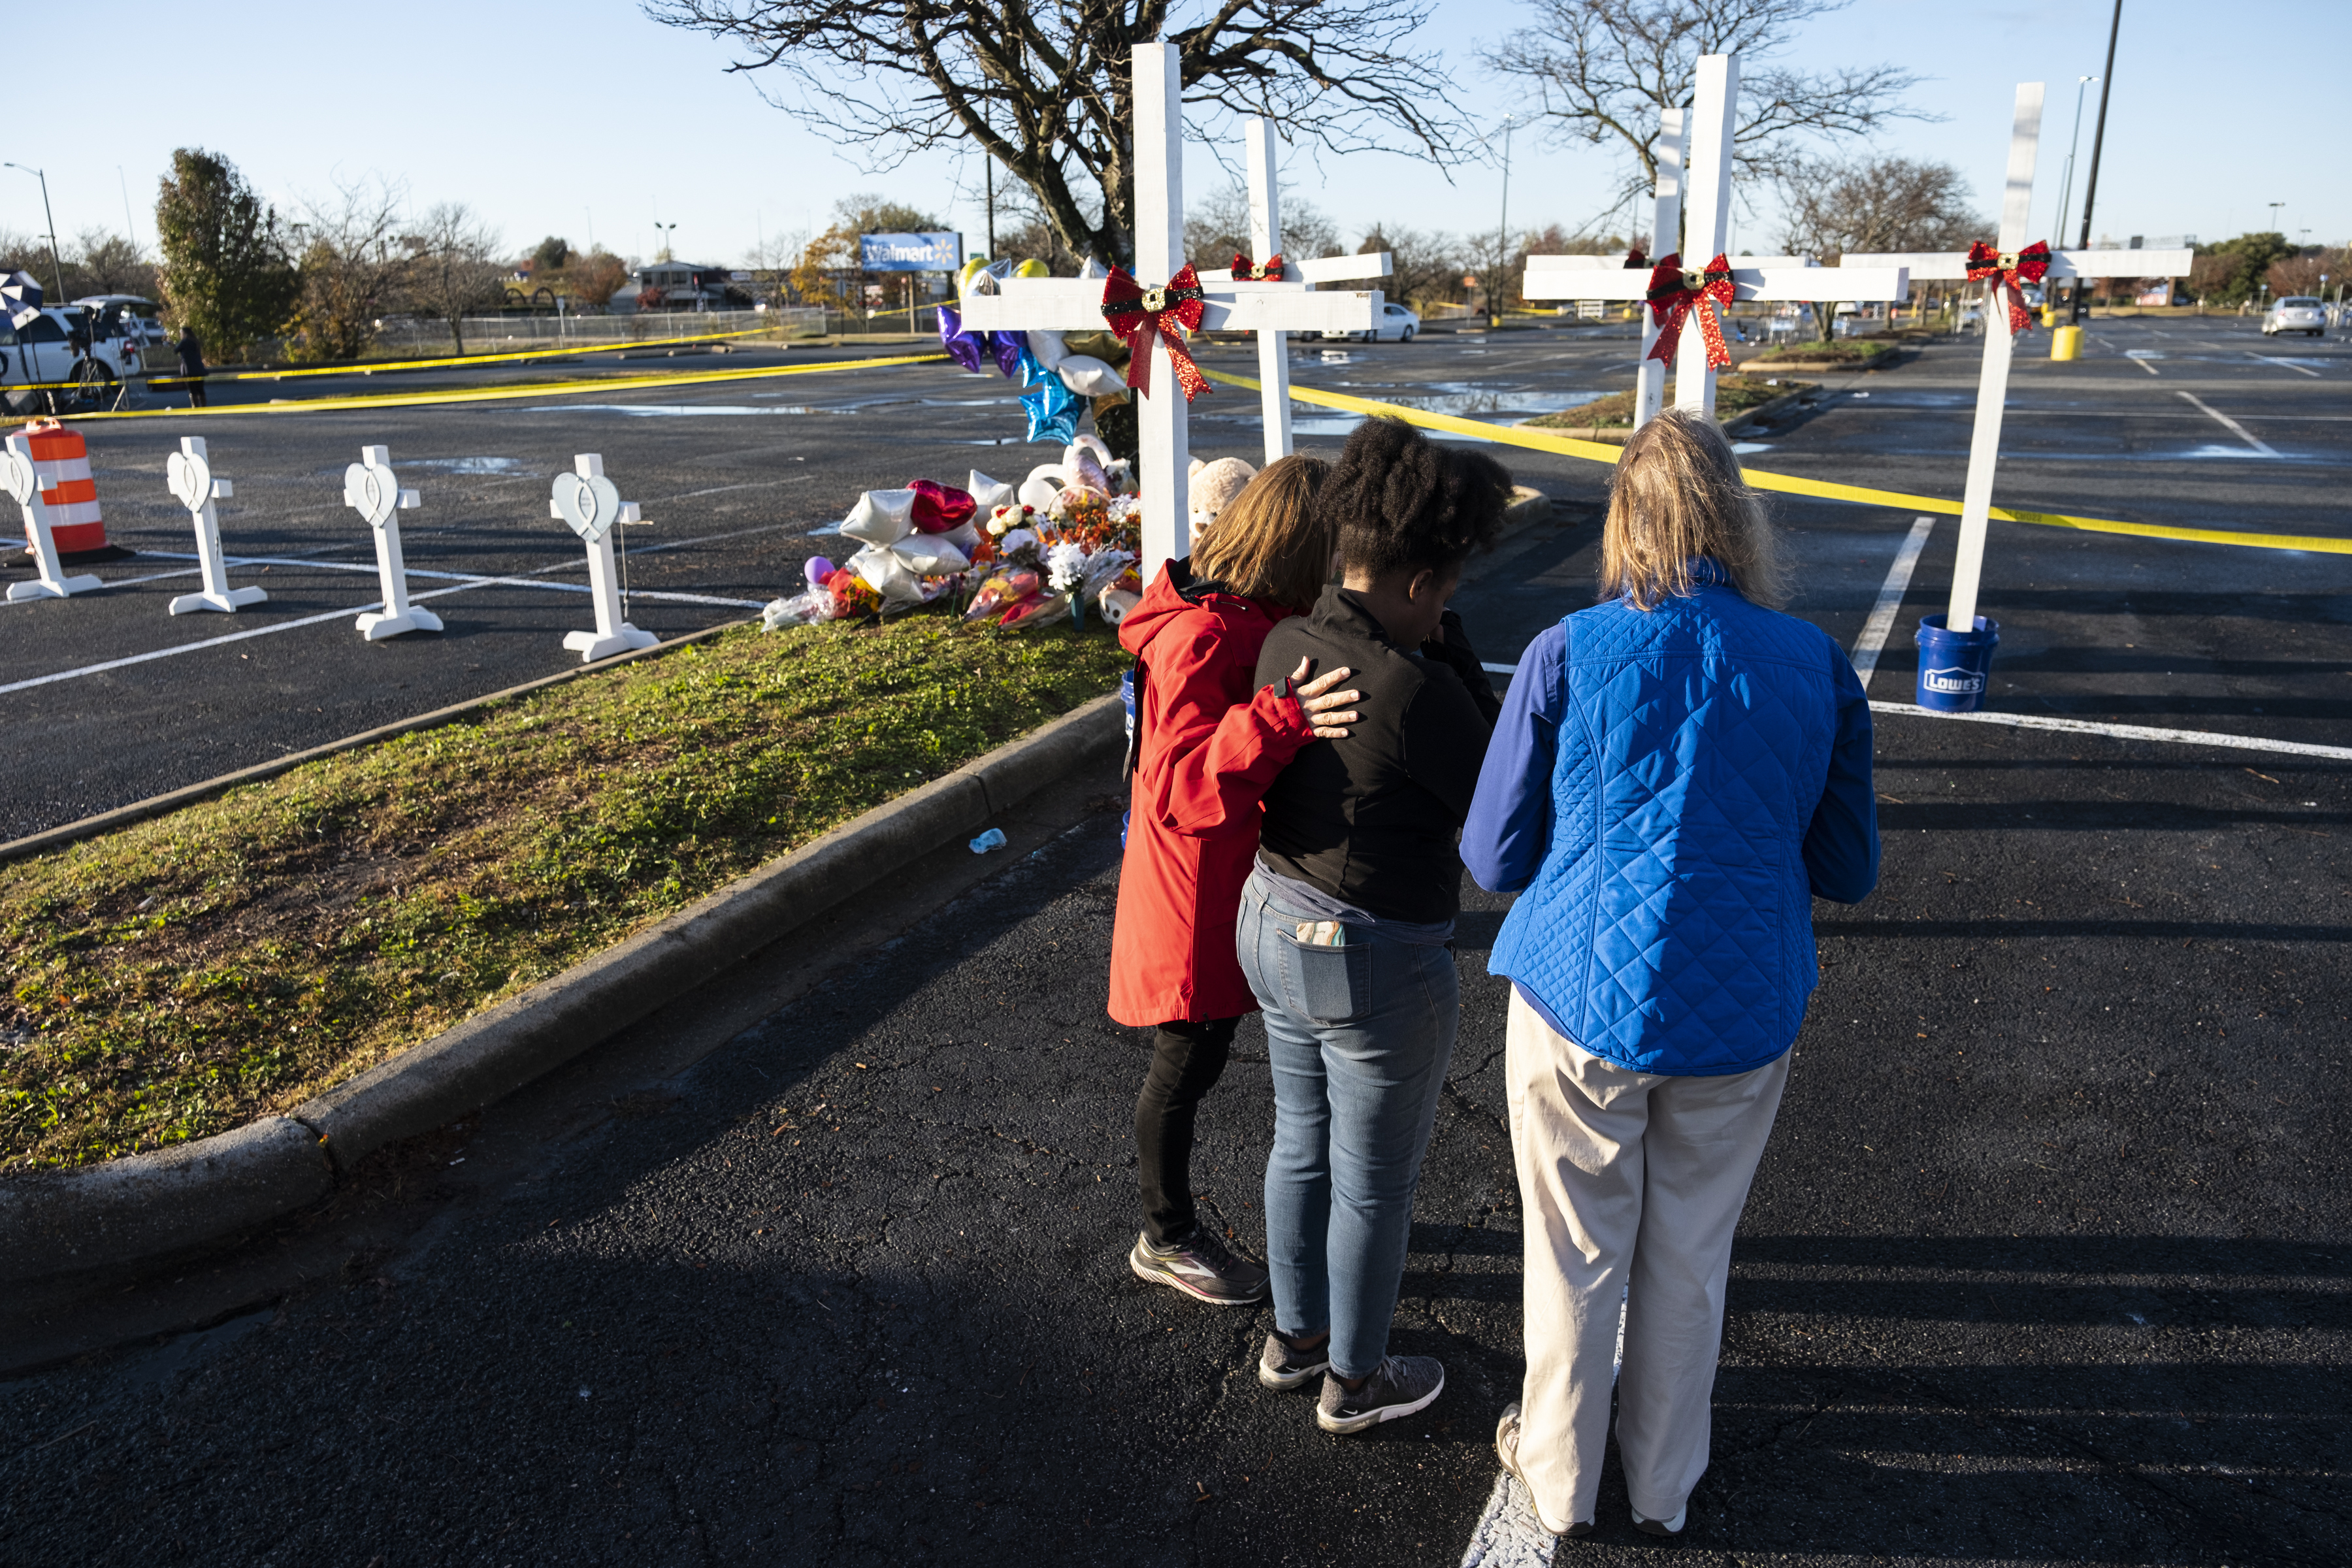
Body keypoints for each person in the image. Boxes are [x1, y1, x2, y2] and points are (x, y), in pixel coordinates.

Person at [1462, 410, 1879, 1539]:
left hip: (1579, 1000)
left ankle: (1555, 1481)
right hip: (1743, 1006)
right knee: (1690, 1261)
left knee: (1573, 1259)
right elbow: (1848, 865)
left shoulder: (1566, 650)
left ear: (1621, 522)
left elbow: (1494, 854)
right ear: (1738, 519)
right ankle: (1661, 1489)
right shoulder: (1814, 665)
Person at [1239, 417, 1509, 1434]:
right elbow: (1496, 816)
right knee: (1375, 1185)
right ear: (1413, 584)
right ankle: (1354, 1382)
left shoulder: (1287, 638)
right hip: (1371, 958)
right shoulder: (1412, 689)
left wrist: (1437, 640)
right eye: (1445, 590)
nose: (1448, 605)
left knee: (1298, 1142)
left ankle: (1295, 1335)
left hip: (1269, 917)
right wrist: (1455, 659)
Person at [1112, 453, 1363, 1307]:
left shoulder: (1238, 614)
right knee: (1187, 1058)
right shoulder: (1206, 633)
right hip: (1197, 886)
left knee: (1231, 1049)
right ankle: (1165, 1233)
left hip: (1239, 874)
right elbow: (1182, 782)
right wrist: (1282, 718)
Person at [175, 327, 207, 408]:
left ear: (184, 333)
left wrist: (173, 344)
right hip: (199, 368)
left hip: (189, 369)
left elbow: (176, 350)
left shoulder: (185, 342)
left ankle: (195, 407)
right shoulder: (195, 342)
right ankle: (204, 406)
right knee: (200, 388)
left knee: (193, 389)